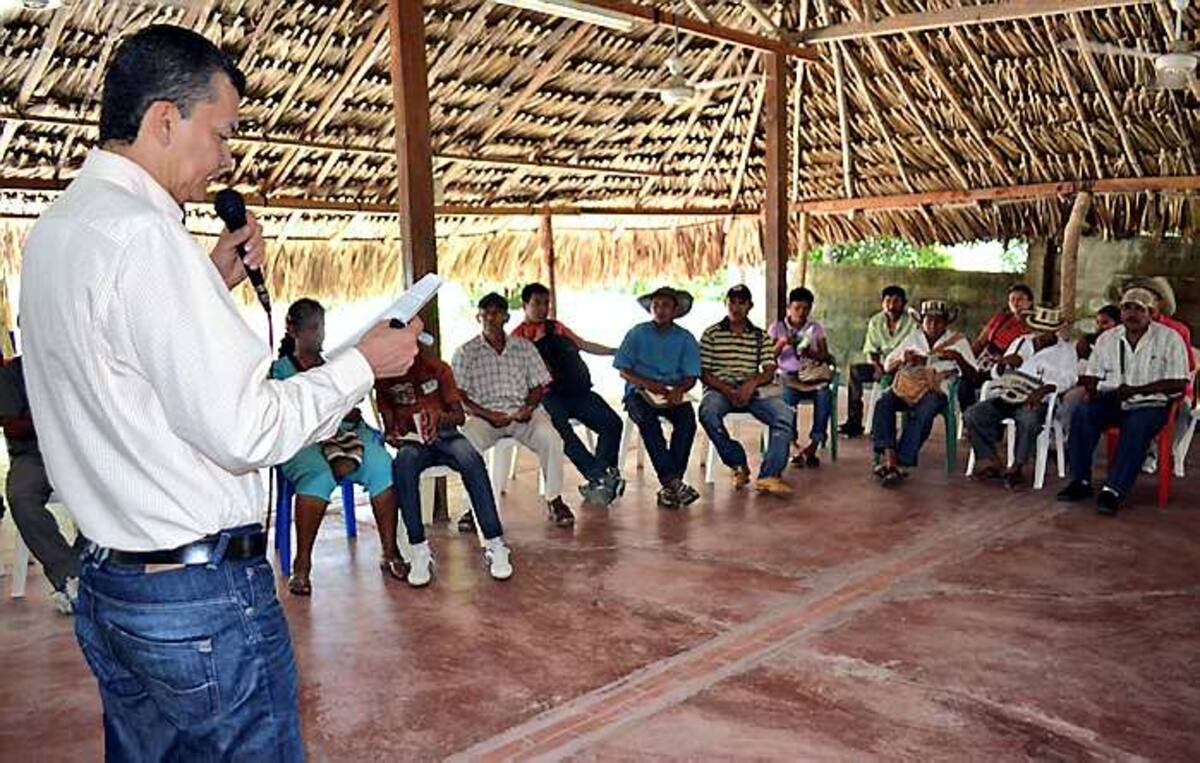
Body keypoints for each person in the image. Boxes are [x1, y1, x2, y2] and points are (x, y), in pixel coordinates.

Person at [18, 26, 422, 759]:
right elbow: (248, 431)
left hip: (111, 580)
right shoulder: (145, 237)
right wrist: (364, 362)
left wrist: (205, 281)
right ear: (165, 119)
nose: (227, 157)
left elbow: (123, 372)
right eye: (223, 132)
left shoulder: (59, 232)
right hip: (195, 602)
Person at [270, 299, 403, 596]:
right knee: (317, 476)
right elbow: (282, 420)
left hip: (345, 435)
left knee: (382, 466)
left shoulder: (333, 368)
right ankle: (302, 564)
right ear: (292, 329)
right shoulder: (277, 372)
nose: (319, 336)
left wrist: (348, 412)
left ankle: (390, 552)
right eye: (312, 328)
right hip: (302, 441)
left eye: (322, 327)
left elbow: (351, 407)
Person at [376, 343, 512, 586]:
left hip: (447, 436)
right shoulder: (385, 379)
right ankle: (418, 549)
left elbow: (459, 417)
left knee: (470, 457)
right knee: (403, 464)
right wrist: (393, 435)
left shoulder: (438, 369)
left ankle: (495, 543)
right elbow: (389, 428)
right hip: (414, 443)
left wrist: (439, 418)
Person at [1058, 288, 1190, 515]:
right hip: (1114, 397)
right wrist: (1092, 388)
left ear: (1151, 313)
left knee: (1137, 426)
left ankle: (1113, 490)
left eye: (1139, 309)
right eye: (1127, 307)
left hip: (1151, 402)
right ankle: (1080, 481)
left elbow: (1179, 383)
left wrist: (1138, 390)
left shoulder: (1170, 338)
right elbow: (1093, 373)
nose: (1132, 313)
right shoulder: (1107, 338)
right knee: (1083, 413)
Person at [453, 293, 575, 528]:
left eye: (496, 312)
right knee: (466, 446)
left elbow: (538, 385)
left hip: (522, 413)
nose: (491, 317)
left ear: (506, 317)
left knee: (551, 438)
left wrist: (528, 408)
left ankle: (554, 499)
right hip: (484, 416)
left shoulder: (524, 348)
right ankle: (473, 506)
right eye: (485, 312)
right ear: (478, 316)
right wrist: (487, 415)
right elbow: (460, 395)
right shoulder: (465, 352)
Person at [511, 283, 624, 505]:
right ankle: (600, 475)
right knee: (562, 431)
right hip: (547, 395)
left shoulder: (557, 328)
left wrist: (614, 351)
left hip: (577, 390)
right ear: (525, 305)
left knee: (612, 423)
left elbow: (583, 345)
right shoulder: (517, 338)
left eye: (546, 303)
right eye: (537, 303)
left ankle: (599, 479)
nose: (543, 308)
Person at [0, 356, 85, 614]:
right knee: (20, 496)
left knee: (114, 490)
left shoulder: (73, 362)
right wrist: (55, 417)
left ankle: (86, 571)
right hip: (33, 455)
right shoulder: (13, 373)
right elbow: (12, 425)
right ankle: (69, 576)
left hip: (78, 452)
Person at [964, 307, 1078, 489]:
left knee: (1028, 418)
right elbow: (997, 374)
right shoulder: (1021, 342)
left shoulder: (1066, 350)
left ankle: (1017, 467)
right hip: (1009, 393)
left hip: (1039, 398)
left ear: (1055, 330)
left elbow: (1070, 378)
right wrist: (1003, 364)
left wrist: (1044, 389)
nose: (1041, 333)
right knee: (973, 414)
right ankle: (992, 459)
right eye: (1038, 328)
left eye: (1046, 329)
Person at [698, 285, 795, 496]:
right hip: (719, 389)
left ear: (750, 306)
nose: (736, 307)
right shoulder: (711, 334)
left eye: (741, 302)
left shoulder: (760, 336)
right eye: (732, 302)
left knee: (785, 414)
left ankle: (769, 475)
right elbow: (703, 373)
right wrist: (727, 390)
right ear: (726, 304)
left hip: (752, 390)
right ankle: (737, 462)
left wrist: (751, 385)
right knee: (707, 412)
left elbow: (769, 370)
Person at [872, 300, 979, 487]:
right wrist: (903, 360)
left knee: (926, 409)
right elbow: (888, 364)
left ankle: (900, 460)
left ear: (946, 322)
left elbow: (974, 376)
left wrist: (958, 358)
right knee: (884, 403)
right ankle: (891, 458)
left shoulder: (958, 341)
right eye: (928, 321)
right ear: (922, 322)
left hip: (937, 390)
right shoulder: (913, 338)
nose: (933, 325)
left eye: (938, 321)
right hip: (908, 387)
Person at [614, 286, 701, 509]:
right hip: (640, 392)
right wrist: (648, 384)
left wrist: (678, 391)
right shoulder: (637, 333)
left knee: (687, 422)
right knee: (647, 422)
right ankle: (672, 482)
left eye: (665, 306)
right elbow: (623, 369)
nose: (660, 310)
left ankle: (671, 486)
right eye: (656, 305)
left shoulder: (685, 338)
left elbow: (692, 375)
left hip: (672, 392)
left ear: (675, 310)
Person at [837, 285, 917, 438]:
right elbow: (871, 349)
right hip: (882, 365)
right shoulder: (876, 321)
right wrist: (876, 366)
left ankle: (897, 428)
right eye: (887, 301)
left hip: (903, 367)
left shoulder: (911, 323)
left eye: (896, 301)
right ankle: (854, 422)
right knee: (855, 371)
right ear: (882, 303)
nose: (891, 305)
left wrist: (895, 366)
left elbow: (914, 351)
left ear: (904, 303)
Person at [768, 286, 834, 467]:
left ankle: (814, 444)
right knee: (787, 398)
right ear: (789, 307)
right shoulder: (778, 328)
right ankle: (793, 444)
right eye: (797, 308)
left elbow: (825, 356)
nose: (801, 312)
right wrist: (782, 343)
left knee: (824, 395)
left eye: (806, 309)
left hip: (811, 378)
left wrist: (810, 353)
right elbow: (767, 357)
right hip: (788, 377)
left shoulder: (815, 328)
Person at [963, 283, 1034, 408]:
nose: (1016, 303)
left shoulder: (1033, 327)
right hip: (985, 362)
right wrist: (968, 360)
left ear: (1029, 302)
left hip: (1007, 368)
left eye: (1020, 299)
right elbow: (980, 342)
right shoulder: (1001, 318)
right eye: (1012, 299)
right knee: (963, 381)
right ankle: (967, 415)